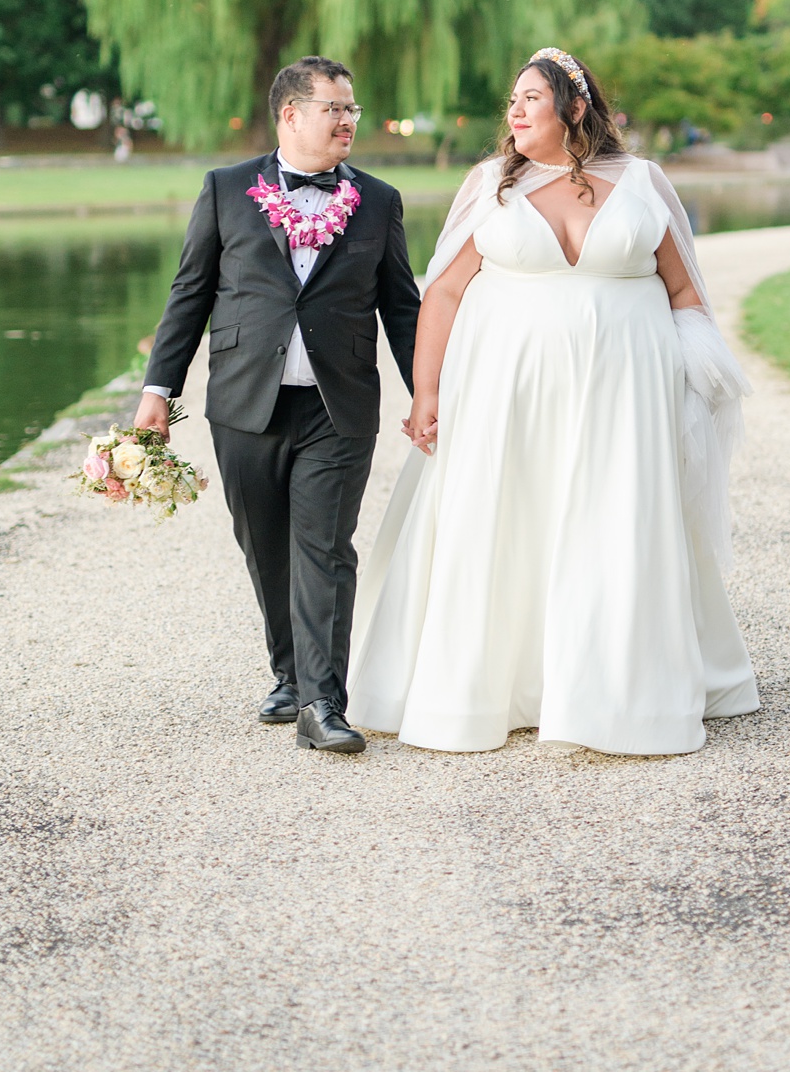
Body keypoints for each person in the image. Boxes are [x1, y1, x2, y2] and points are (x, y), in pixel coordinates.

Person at [346, 49, 757, 756]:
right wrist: (428, 393)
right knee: (508, 521)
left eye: (530, 97)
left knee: (615, 525)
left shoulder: (643, 182)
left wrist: (699, 386)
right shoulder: (488, 186)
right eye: (512, 98)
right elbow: (442, 292)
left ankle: (619, 697)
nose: (514, 109)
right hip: (509, 400)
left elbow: (685, 293)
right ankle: (499, 688)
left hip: (625, 396)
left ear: (574, 107)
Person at [138, 55, 422, 754]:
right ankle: (290, 674)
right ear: (290, 114)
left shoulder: (380, 201)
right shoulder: (226, 189)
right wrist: (157, 393)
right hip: (243, 404)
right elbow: (190, 296)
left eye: (352, 108)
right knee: (265, 547)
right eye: (335, 107)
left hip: (339, 405)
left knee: (324, 549)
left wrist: (431, 397)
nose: (349, 120)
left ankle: (325, 704)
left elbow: (402, 310)